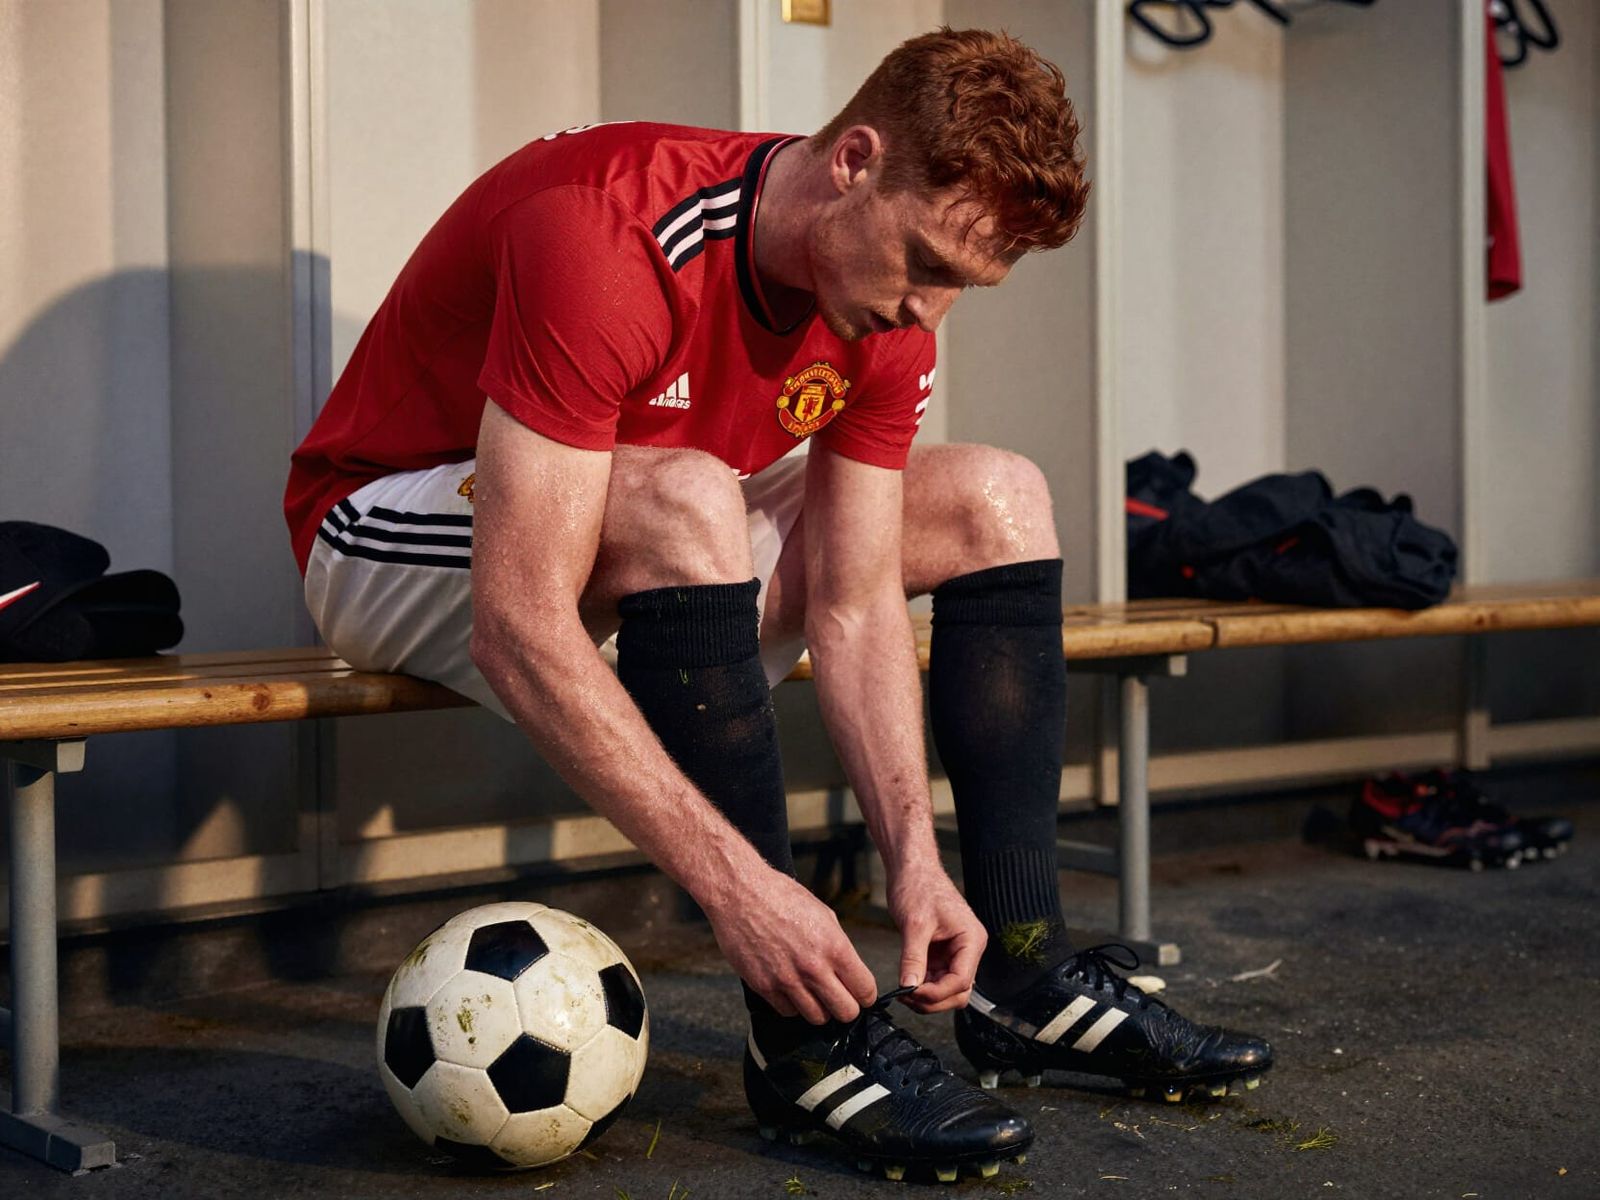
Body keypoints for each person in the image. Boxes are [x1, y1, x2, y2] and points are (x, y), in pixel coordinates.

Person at [285, 27, 1270, 1182]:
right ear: (854, 159)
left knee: (996, 497)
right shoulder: (611, 231)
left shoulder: (887, 313)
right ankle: (800, 1041)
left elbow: (853, 607)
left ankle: (1024, 969)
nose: (928, 312)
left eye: (963, 284)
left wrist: (913, 856)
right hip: (388, 545)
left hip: (633, 535)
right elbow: (518, 626)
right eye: (923, 263)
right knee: (689, 493)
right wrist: (743, 892)